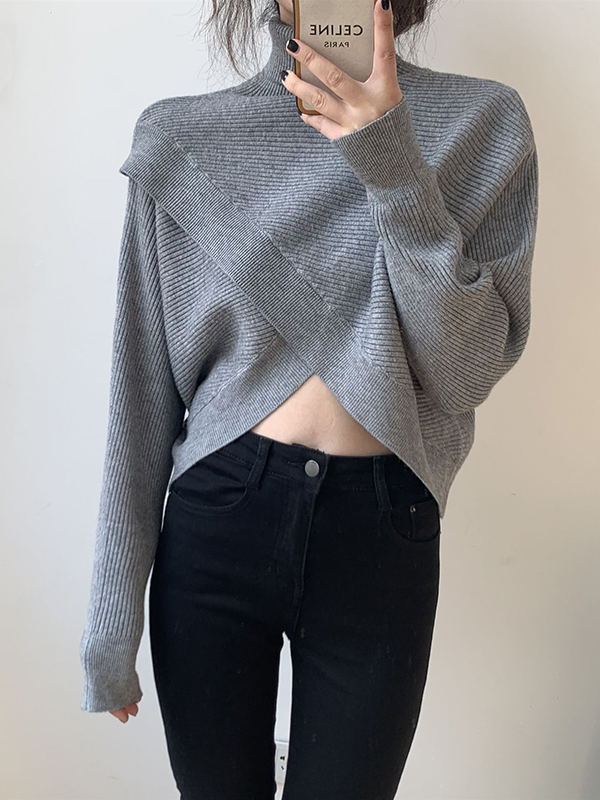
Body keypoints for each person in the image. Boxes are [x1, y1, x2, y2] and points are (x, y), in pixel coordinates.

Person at [79, 0, 539, 797]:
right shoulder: (184, 141)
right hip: (218, 522)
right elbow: (141, 395)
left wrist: (391, 158)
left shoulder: (483, 124)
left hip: (382, 530)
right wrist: (110, 624)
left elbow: (464, 374)